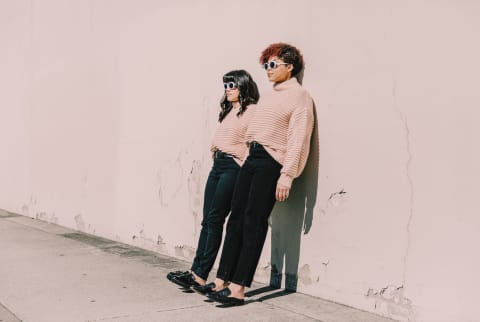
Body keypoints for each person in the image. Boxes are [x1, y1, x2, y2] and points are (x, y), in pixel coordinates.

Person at [205, 43, 314, 306]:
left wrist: (287, 174)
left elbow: (299, 138)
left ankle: (239, 287)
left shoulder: (300, 97)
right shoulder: (268, 95)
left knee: (253, 222)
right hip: (252, 159)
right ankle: (222, 280)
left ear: (289, 67)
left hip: (270, 162)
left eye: (272, 65)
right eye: (265, 65)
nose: (267, 70)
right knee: (235, 220)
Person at [167, 70, 260, 291]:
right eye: (226, 85)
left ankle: (200, 275)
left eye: (232, 85)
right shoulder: (229, 110)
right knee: (207, 220)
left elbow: (254, 142)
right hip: (218, 165)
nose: (228, 89)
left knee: (216, 218)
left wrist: (240, 162)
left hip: (232, 168)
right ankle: (195, 272)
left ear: (243, 86)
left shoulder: (253, 111)